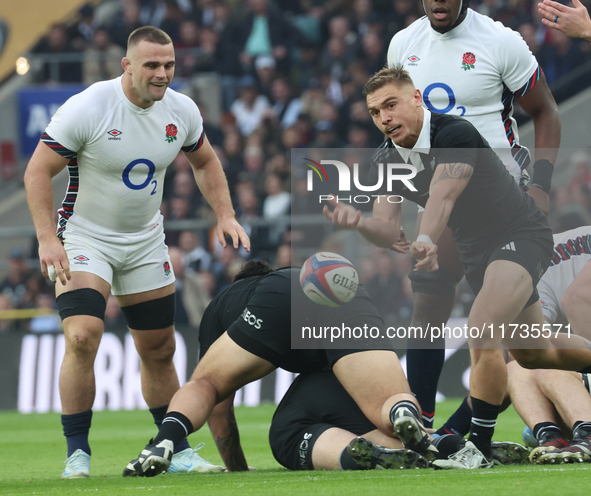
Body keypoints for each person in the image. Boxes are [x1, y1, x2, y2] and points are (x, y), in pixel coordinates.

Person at [324, 66, 591, 469]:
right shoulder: (385, 157)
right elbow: (387, 227)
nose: (385, 118)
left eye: (391, 105)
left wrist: (428, 241)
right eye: (376, 112)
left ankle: (478, 448)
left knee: (481, 328)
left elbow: (443, 198)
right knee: (537, 351)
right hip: (478, 253)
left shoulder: (454, 133)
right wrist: (359, 223)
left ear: (417, 99)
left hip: (521, 234)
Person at [24, 26, 249, 479]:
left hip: (145, 240)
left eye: (168, 65)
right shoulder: (89, 107)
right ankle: (77, 455)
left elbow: (205, 161)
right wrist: (47, 238)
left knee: (160, 348)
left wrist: (224, 215)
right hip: (85, 237)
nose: (163, 73)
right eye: (152, 65)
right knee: (83, 334)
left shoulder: (182, 109)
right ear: (127, 65)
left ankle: (176, 448)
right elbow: (36, 171)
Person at [387, 0, 561, 428]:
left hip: (499, 197)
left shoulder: (500, 41)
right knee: (429, 301)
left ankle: (462, 431)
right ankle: (424, 424)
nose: (439, 3)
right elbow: (398, 128)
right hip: (441, 195)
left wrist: (540, 184)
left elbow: (546, 111)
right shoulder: (403, 45)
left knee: (509, 337)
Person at [122, 261, 436, 476]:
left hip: (281, 298)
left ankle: (165, 440)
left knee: (206, 384)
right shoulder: (283, 278)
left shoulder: (226, 301)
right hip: (343, 288)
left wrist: (237, 467)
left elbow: (218, 407)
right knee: (385, 404)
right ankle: (412, 421)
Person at [507, 225, 591, 465]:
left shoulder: (525, 261)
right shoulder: (532, 266)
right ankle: (551, 437)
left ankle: (585, 432)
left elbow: (577, 300)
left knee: (548, 361)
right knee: (520, 366)